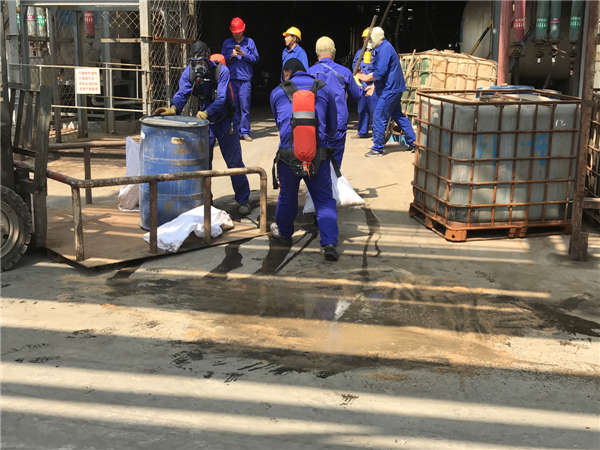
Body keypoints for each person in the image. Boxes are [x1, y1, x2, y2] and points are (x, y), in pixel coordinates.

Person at [154, 40, 251, 216]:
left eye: (201, 62)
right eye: (195, 62)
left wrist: (207, 112)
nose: (198, 66)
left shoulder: (221, 71)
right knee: (204, 162)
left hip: (225, 120)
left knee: (234, 162)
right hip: (205, 123)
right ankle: (206, 200)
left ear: (208, 59)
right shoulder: (189, 72)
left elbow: (221, 98)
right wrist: (174, 108)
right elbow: (183, 93)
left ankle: (243, 199)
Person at [270, 58, 339, 261]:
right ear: (305, 71)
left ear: (287, 73)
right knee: (324, 199)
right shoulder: (324, 89)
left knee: (287, 195)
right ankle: (329, 243)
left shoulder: (277, 92)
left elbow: (279, 123)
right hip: (318, 156)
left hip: (288, 155)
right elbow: (333, 126)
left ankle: (284, 233)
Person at [356, 27, 416, 157]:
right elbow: (384, 73)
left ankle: (377, 148)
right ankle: (414, 142)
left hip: (390, 89)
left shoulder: (384, 49)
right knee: (398, 115)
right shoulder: (382, 48)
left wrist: (366, 78)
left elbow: (380, 72)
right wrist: (373, 86)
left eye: (369, 39)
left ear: (375, 38)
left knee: (379, 116)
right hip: (393, 87)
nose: (368, 42)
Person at [308, 36, 362, 168]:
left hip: (316, 124)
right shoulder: (345, 72)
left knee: (317, 163)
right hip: (338, 124)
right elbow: (357, 95)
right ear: (333, 52)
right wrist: (358, 83)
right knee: (335, 164)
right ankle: (334, 178)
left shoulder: (309, 73)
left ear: (317, 53)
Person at [221, 17, 259, 142]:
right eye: (235, 32)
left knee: (245, 106)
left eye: (239, 32)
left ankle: (245, 132)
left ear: (243, 30)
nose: (237, 34)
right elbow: (221, 60)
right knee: (234, 106)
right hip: (232, 79)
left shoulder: (250, 42)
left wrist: (244, 54)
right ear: (231, 31)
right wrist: (230, 56)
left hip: (245, 79)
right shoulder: (227, 43)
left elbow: (256, 58)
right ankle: (236, 131)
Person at [352, 27, 376, 138]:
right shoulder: (359, 53)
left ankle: (376, 134)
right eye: (364, 39)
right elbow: (354, 66)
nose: (366, 41)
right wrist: (357, 72)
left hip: (373, 86)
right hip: (361, 84)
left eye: (368, 38)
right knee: (362, 110)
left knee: (374, 111)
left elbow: (380, 70)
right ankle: (362, 132)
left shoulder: (377, 53)